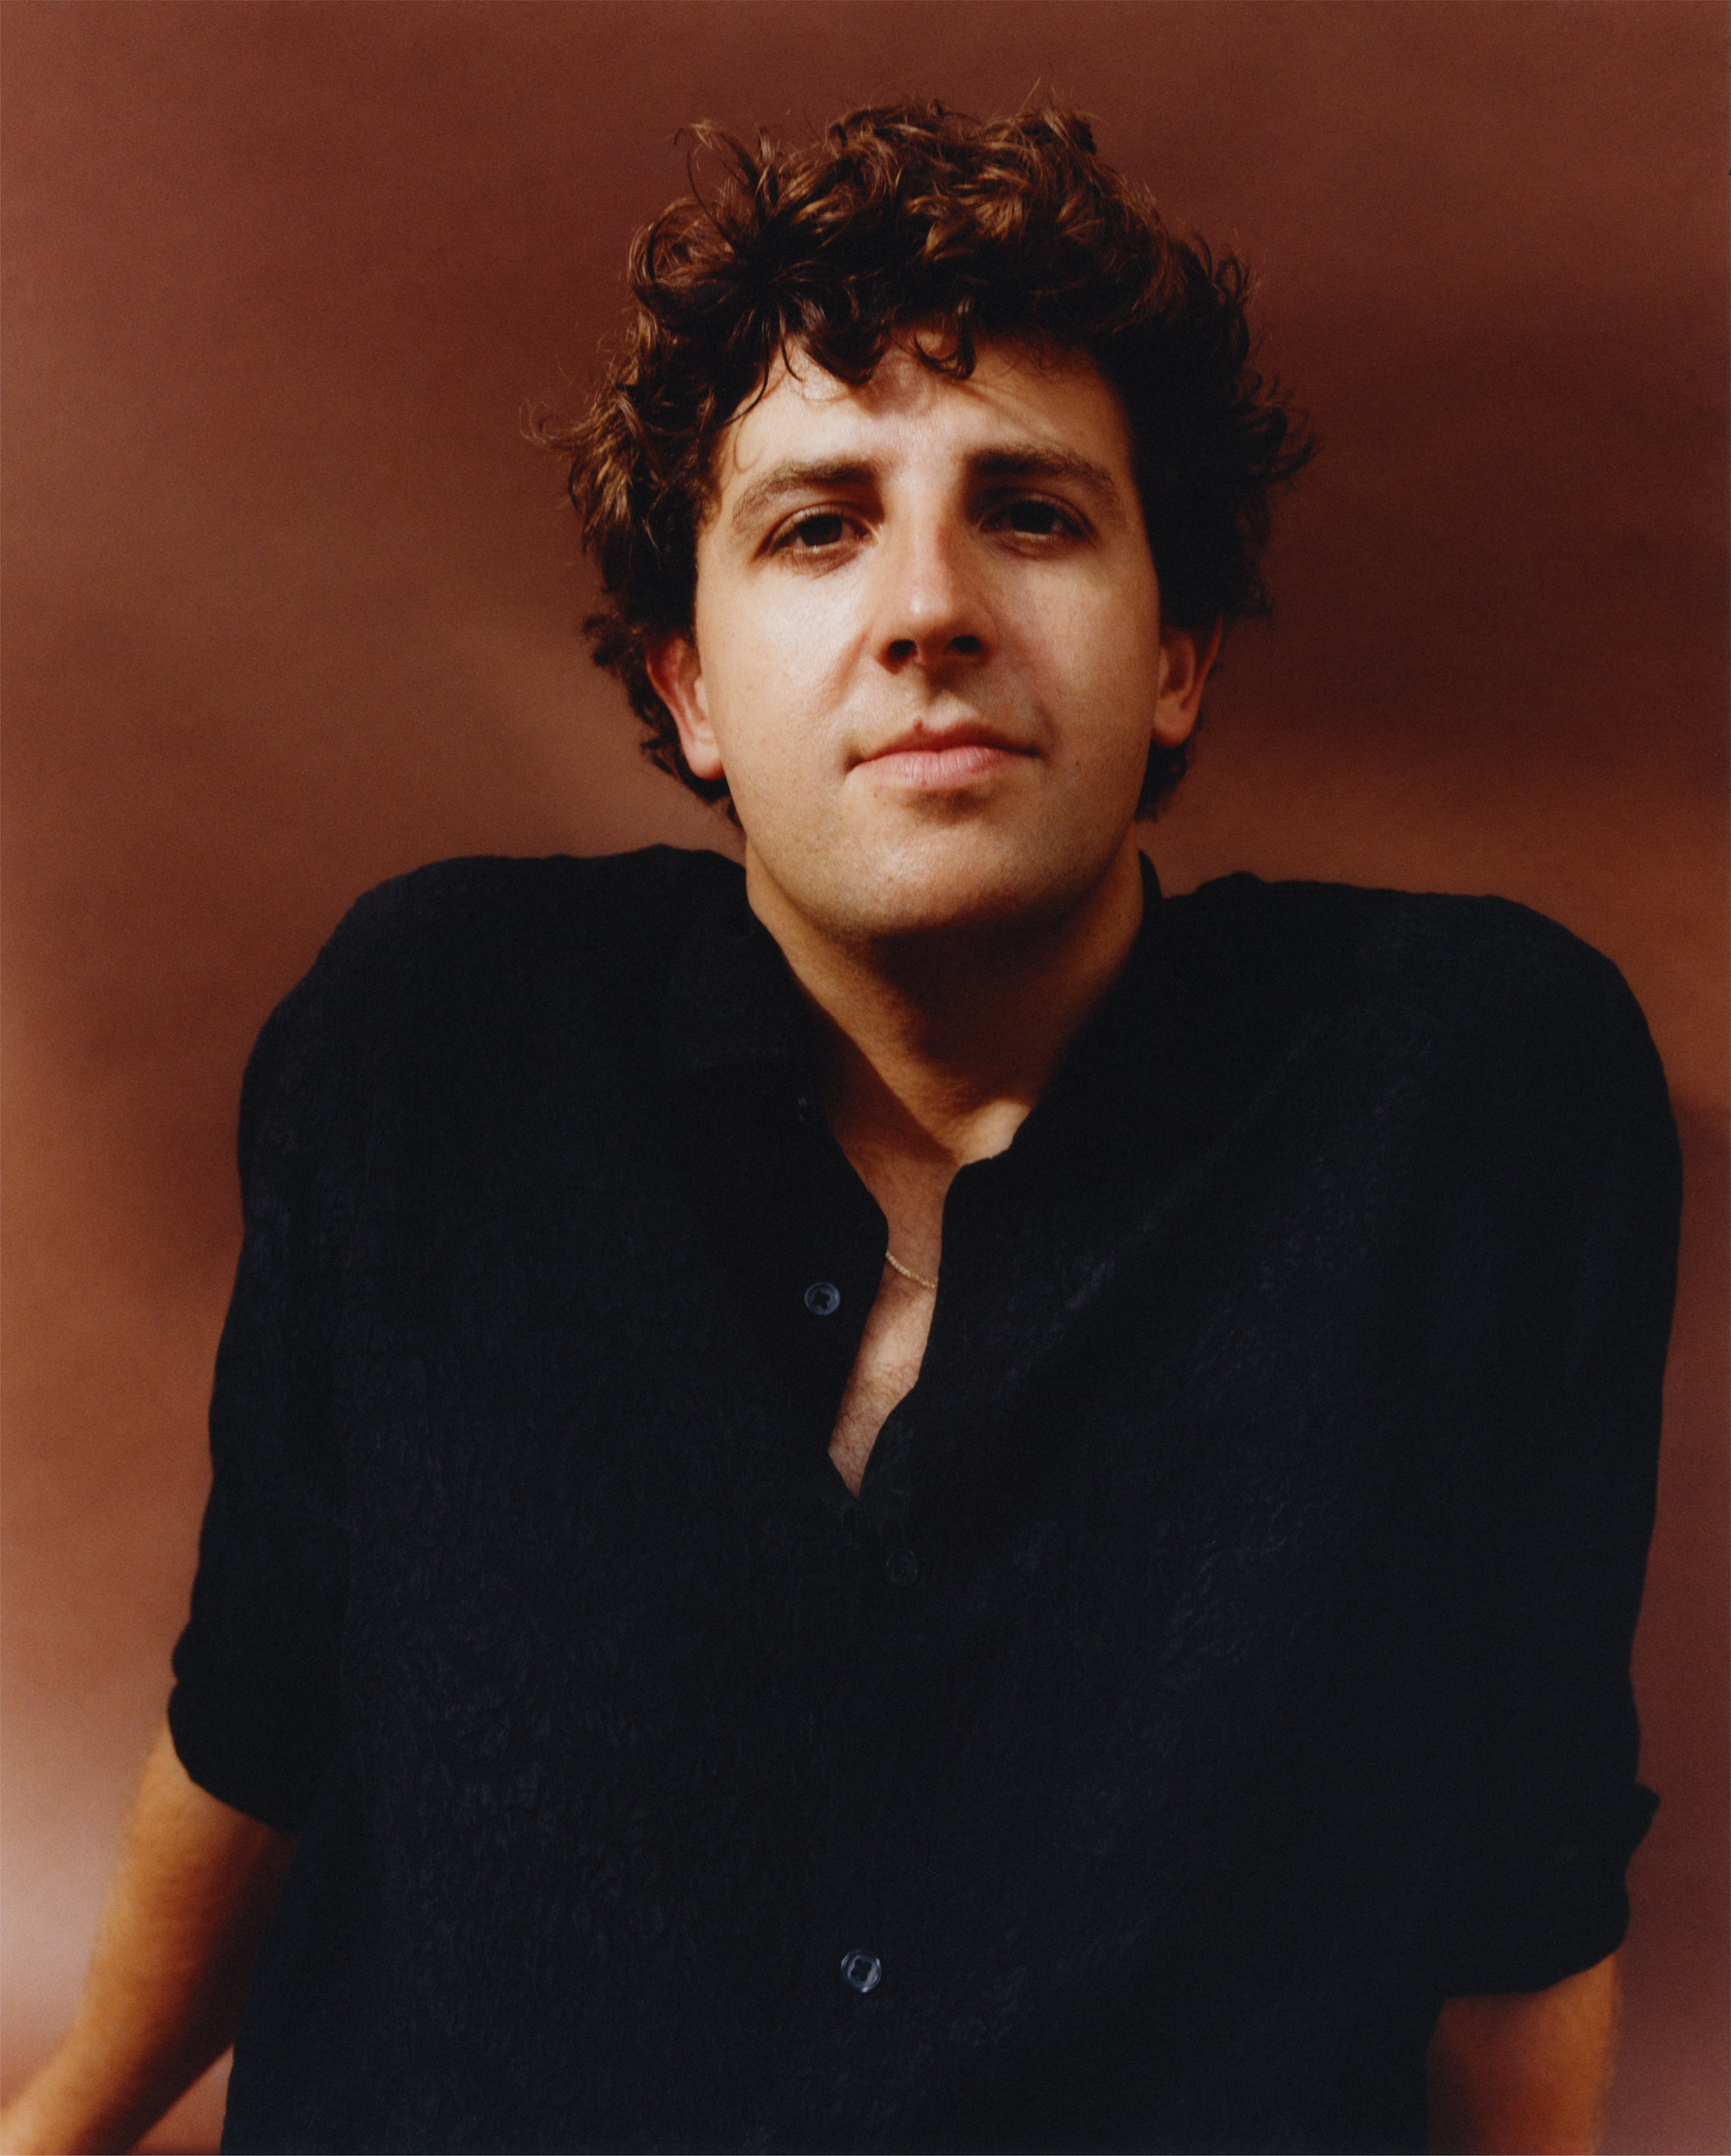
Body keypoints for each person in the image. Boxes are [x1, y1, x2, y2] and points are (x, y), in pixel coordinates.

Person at [1, 102, 1679, 2155]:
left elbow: (1517, 1862)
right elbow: (262, 1715)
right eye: (817, 527)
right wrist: (58, 2131)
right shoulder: (431, 1033)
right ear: (688, 691)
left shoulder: (1468, 1094)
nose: (927, 608)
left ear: (1175, 661)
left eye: (1031, 515)